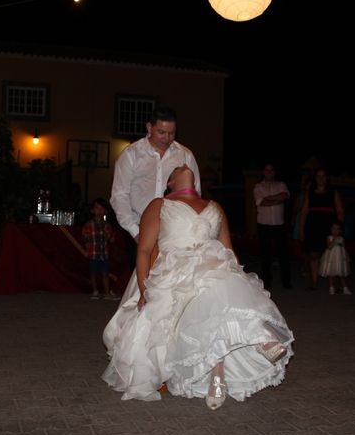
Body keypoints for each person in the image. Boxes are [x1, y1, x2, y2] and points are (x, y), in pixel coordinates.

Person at [102, 165, 294, 409]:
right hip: (175, 272)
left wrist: (239, 279)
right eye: (177, 167)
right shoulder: (159, 205)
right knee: (207, 293)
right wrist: (143, 289)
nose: (184, 164)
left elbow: (227, 251)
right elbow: (143, 250)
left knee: (221, 287)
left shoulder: (214, 206)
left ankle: (227, 367)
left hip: (214, 267)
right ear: (170, 182)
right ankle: (250, 346)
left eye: (187, 164)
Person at [110, 106, 201, 258]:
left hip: (174, 231)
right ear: (149, 127)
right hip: (138, 228)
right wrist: (135, 232)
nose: (167, 138)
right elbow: (119, 196)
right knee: (141, 278)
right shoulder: (131, 154)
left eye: (171, 133)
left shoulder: (185, 155)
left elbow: (195, 193)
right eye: (161, 132)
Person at [300, 167, 344, 290]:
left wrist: (339, 229)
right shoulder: (310, 191)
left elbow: (340, 211)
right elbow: (304, 211)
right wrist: (301, 229)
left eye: (323, 176)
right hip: (313, 225)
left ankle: (334, 284)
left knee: (332, 254)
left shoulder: (333, 192)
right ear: (315, 178)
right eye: (318, 176)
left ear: (327, 178)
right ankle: (314, 282)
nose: (321, 178)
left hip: (328, 226)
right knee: (314, 255)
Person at [253, 163, 292, 289]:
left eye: (271, 170)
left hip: (279, 225)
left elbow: (284, 196)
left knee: (283, 255)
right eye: (266, 170)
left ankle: (286, 282)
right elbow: (260, 202)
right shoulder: (258, 186)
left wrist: (268, 199)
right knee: (265, 255)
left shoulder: (281, 184)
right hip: (264, 225)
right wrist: (277, 199)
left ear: (274, 172)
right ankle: (267, 282)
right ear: (263, 172)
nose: (269, 172)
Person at [82, 198, 120, 300]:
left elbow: (110, 238)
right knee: (93, 273)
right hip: (93, 253)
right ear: (92, 210)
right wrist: (87, 245)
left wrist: (111, 238)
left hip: (104, 254)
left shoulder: (107, 225)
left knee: (105, 273)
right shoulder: (88, 225)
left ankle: (107, 292)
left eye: (102, 208)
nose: (99, 211)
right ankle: (95, 291)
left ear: (105, 211)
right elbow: (85, 238)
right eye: (97, 208)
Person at [319, 221, 352, 295]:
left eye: (337, 229)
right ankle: (331, 287)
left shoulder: (341, 238)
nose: (335, 231)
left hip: (339, 258)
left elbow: (343, 248)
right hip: (331, 258)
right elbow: (329, 247)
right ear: (331, 229)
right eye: (334, 229)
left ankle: (345, 288)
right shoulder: (329, 237)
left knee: (341, 274)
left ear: (340, 230)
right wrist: (334, 240)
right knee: (331, 273)